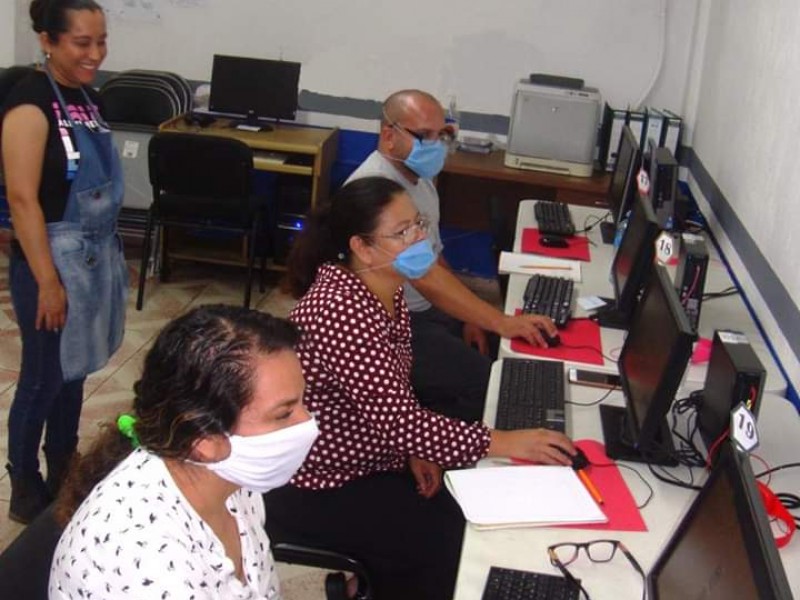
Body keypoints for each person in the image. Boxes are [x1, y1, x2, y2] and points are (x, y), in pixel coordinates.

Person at [266, 177, 575, 600]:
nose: (419, 239)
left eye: (418, 224)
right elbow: (399, 420)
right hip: (318, 481)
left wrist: (414, 449)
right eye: (402, 232)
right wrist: (507, 441)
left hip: (370, 455)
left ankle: (381, 577)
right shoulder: (341, 310)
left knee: (451, 506)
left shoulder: (384, 289)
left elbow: (393, 395)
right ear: (361, 247)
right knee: (449, 538)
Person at [48, 304, 319, 599]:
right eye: (284, 414)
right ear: (203, 438)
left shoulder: (231, 482)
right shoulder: (146, 560)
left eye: (302, 402)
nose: (309, 422)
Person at [346, 89, 556, 424]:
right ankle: (429, 446)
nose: (436, 145)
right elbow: (425, 277)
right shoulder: (377, 191)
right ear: (389, 135)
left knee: (510, 351)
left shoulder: (419, 180)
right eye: (424, 136)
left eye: (442, 135)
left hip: (426, 309)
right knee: (493, 384)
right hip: (392, 326)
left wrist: (472, 316)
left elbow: (434, 256)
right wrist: (500, 321)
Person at [1, 0, 128, 524]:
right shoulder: (30, 104)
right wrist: (48, 282)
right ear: (47, 41)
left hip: (92, 256)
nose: (95, 54)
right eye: (82, 43)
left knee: (74, 373)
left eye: (101, 42)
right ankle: (25, 485)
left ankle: (63, 471)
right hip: (49, 259)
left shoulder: (87, 99)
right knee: (42, 376)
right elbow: (24, 200)